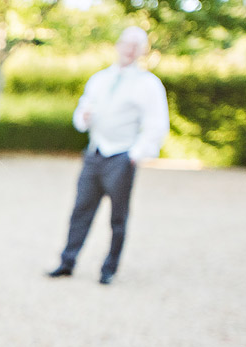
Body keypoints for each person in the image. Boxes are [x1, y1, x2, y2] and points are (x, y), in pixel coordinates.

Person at [48, 26, 169, 285]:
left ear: (142, 51)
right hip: (94, 154)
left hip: (122, 158)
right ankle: (67, 261)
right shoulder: (99, 79)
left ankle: (109, 268)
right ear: (118, 45)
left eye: (136, 46)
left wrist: (134, 155)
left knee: (117, 217)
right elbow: (81, 113)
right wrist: (83, 118)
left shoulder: (148, 85)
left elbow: (156, 124)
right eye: (126, 43)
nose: (129, 49)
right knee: (80, 210)